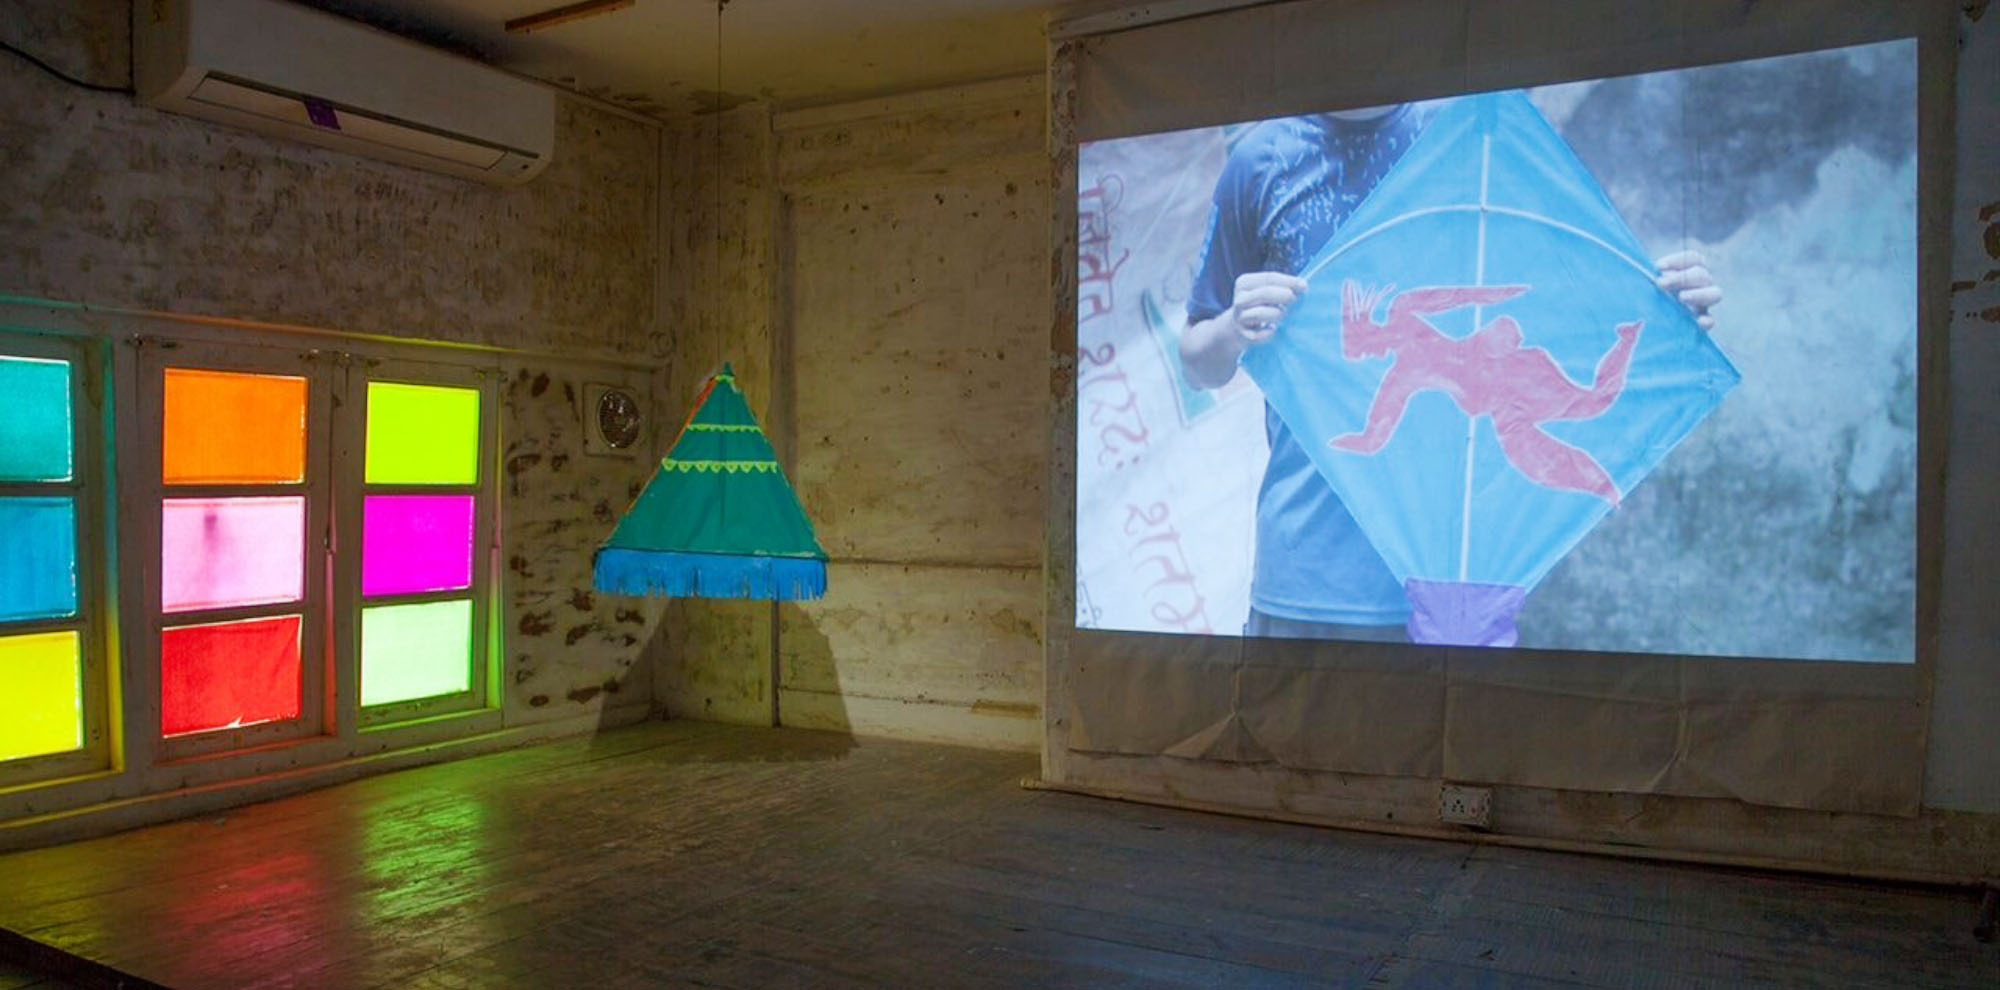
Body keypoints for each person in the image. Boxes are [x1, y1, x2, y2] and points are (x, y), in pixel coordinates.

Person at [1179, 102, 1721, 643]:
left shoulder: (1475, 139)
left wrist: (1668, 309)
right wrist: (1234, 327)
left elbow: (1572, 285)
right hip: (1310, 577)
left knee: (1587, 405)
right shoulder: (1263, 160)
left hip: (1461, 584)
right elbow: (1198, 363)